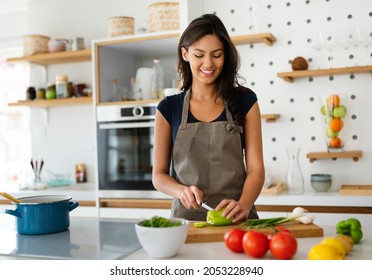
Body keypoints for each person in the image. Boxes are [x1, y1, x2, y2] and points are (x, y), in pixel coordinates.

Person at [152, 13, 265, 223]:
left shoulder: (245, 101)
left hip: (238, 218)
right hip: (187, 221)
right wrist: (180, 191)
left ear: (226, 56)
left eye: (217, 54)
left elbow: (256, 170)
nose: (208, 63)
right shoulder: (168, 108)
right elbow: (158, 176)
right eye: (199, 54)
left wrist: (244, 204)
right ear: (185, 54)